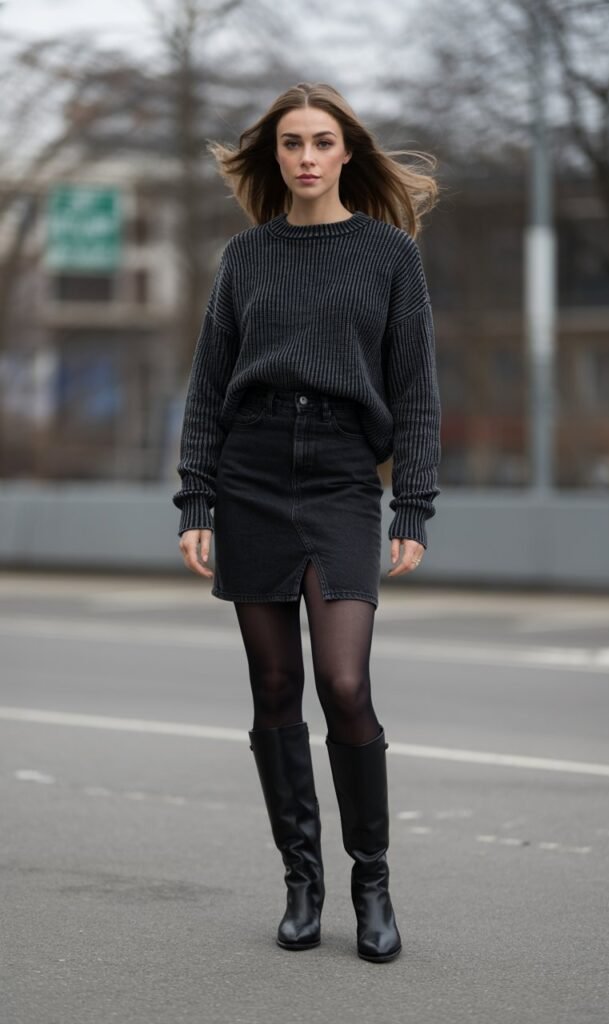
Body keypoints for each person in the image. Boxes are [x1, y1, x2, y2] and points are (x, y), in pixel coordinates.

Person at [172, 81, 441, 963]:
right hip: (250, 469)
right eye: (291, 143)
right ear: (275, 156)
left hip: (338, 477)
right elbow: (209, 385)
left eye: (322, 141)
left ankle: (373, 879)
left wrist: (414, 503)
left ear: (347, 153)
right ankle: (301, 881)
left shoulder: (389, 256)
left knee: (345, 683)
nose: (306, 156)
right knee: (274, 688)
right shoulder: (246, 257)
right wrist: (197, 497)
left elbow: (415, 394)